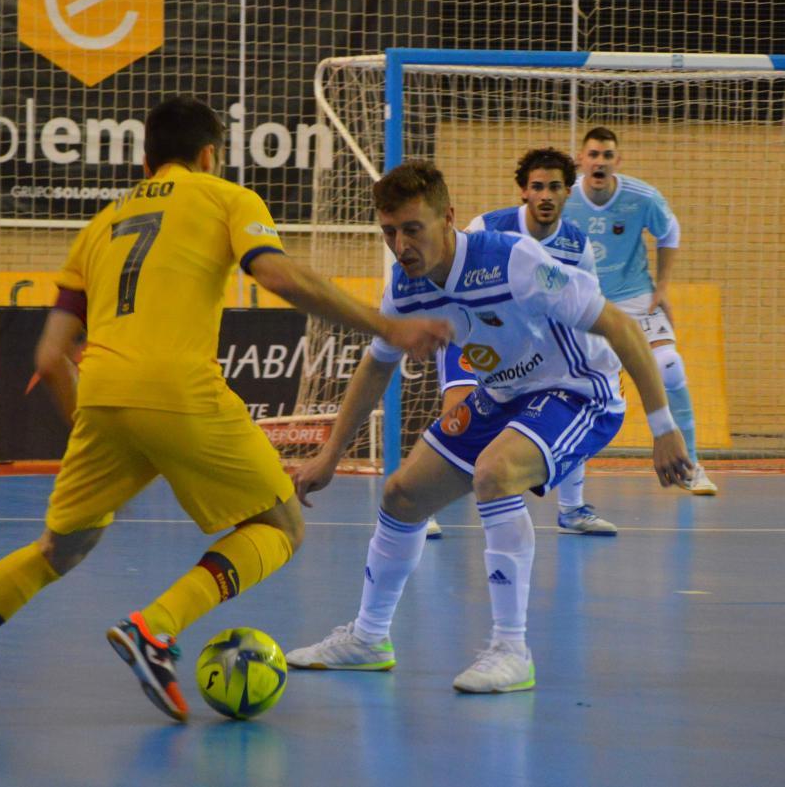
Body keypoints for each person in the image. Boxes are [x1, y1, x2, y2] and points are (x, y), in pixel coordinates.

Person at [0, 96, 451, 721]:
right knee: (280, 526)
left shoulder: (100, 225)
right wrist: (387, 327)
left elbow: (48, 359)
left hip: (100, 394)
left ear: (144, 159)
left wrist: (97, 432)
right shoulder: (225, 197)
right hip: (179, 388)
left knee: (56, 550)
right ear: (210, 155)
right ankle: (157, 627)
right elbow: (279, 277)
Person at [285, 160, 690, 693]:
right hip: (501, 394)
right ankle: (368, 638)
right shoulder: (406, 289)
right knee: (402, 495)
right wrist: (331, 454)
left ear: (448, 218)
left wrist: (663, 427)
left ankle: (511, 649)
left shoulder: (512, 261)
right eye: (389, 232)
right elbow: (378, 362)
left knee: (494, 473)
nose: (401, 245)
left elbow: (617, 324)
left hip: (578, 391)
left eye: (412, 229)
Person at [422, 146, 616, 539]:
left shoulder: (577, 246)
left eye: (555, 187)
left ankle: (572, 509)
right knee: (457, 411)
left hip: (532, 348)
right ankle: (428, 505)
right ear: (524, 192)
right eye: (537, 186)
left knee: (569, 397)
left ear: (568, 193)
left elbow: (586, 308)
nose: (546, 195)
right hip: (473, 333)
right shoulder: (489, 226)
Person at [563, 127, 717, 494]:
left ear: (618, 161)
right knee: (571, 384)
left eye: (607, 155)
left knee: (669, 366)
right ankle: (560, 476)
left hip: (635, 299)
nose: (600, 161)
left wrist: (662, 287)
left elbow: (670, 232)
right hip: (586, 305)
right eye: (594, 154)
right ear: (580, 160)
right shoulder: (563, 199)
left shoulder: (641, 197)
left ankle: (690, 465)